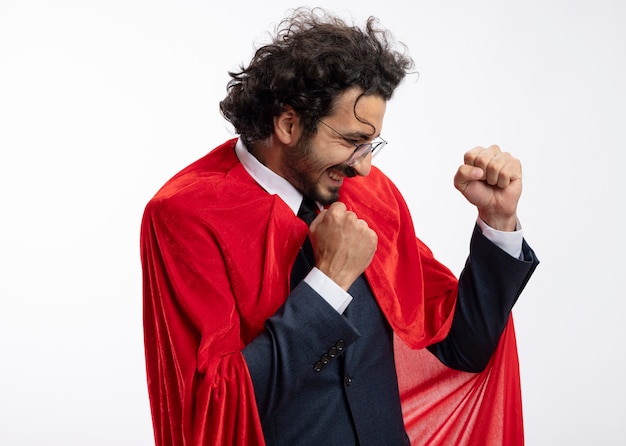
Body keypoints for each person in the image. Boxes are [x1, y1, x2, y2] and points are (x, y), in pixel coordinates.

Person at [140, 7, 539, 446]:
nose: (365, 168)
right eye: (352, 142)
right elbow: (213, 410)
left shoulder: (371, 194)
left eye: (371, 145)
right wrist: (327, 285)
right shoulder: (186, 215)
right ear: (289, 123)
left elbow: (463, 346)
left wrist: (498, 221)